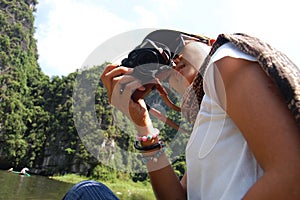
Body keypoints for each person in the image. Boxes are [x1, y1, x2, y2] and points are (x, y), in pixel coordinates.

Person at [64, 30, 300, 199]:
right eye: (162, 69)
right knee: (87, 191)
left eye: (174, 45)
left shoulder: (225, 60)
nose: (172, 61)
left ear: (207, 42)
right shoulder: (206, 126)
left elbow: (292, 177)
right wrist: (142, 125)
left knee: (85, 193)